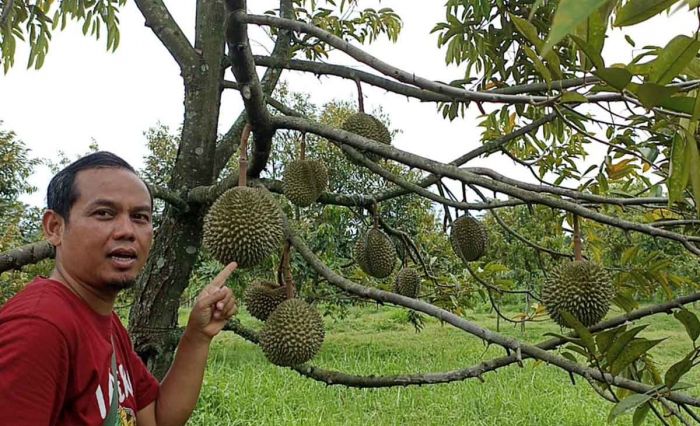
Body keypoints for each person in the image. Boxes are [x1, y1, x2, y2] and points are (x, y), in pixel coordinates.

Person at [0, 151, 238, 425]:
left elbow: (157, 419)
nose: (127, 230)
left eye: (140, 217)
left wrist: (198, 335)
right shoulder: (39, 327)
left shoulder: (107, 324)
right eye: (104, 213)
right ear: (55, 227)